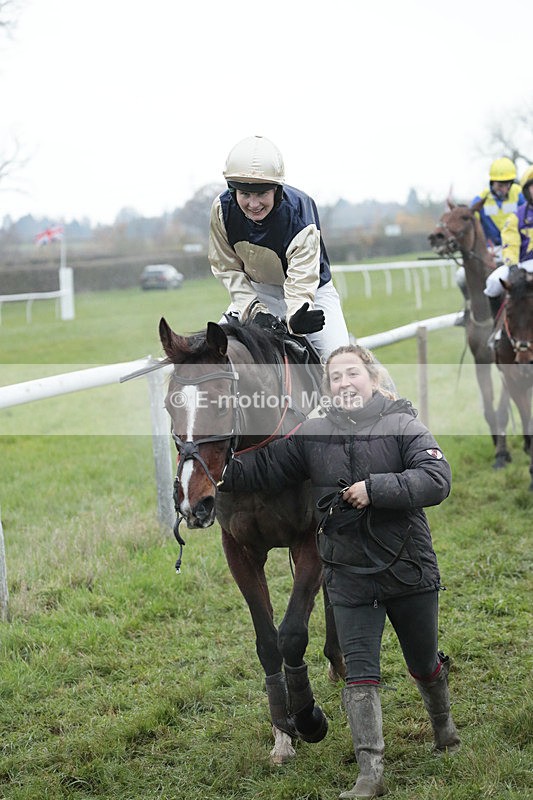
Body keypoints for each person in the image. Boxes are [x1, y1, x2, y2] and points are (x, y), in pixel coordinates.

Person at [219, 344, 460, 798]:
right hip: (349, 575)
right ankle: (370, 774)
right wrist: (201, 463)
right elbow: (260, 468)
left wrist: (375, 489)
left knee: (423, 663)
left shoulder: (404, 425)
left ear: (372, 378)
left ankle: (443, 727)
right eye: (336, 377)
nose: (345, 383)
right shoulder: (312, 435)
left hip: (407, 568)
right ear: (327, 387)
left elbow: (437, 479)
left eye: (353, 374)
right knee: (361, 675)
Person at [209, 135, 350, 360]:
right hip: (256, 292)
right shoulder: (221, 210)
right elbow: (227, 267)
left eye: (262, 193)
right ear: (233, 190)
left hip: (311, 293)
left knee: (339, 362)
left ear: (277, 189)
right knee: (211, 355)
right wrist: (252, 308)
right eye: (245, 194)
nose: (253, 204)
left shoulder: (300, 213)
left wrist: (295, 316)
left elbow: (302, 279)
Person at [455, 157, 524, 322]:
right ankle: (469, 310)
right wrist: (484, 251)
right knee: (461, 276)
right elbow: (474, 229)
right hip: (491, 249)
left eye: (508, 184)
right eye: (500, 185)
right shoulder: (479, 200)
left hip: (517, 249)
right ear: (492, 183)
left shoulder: (521, 195)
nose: (504, 189)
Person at [484, 164, 533, 317]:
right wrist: (512, 267)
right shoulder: (516, 217)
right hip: (522, 264)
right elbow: (510, 244)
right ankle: (497, 325)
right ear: (527, 190)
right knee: (492, 283)